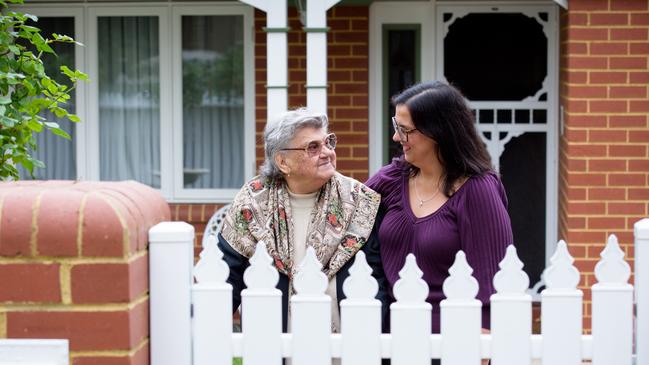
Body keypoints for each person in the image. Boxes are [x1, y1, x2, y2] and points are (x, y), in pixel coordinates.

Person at [219, 107, 390, 333]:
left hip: (349, 347)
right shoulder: (252, 204)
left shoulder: (360, 202)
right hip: (272, 348)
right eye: (313, 147)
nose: (327, 152)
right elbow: (226, 279)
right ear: (283, 162)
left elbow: (378, 279)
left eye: (328, 142)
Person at [366, 81, 513, 334]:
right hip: (392, 337)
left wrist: (482, 344)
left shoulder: (478, 190)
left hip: (451, 340)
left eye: (405, 130)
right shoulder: (393, 179)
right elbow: (345, 208)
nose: (396, 137)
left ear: (438, 132)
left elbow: (493, 279)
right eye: (396, 126)